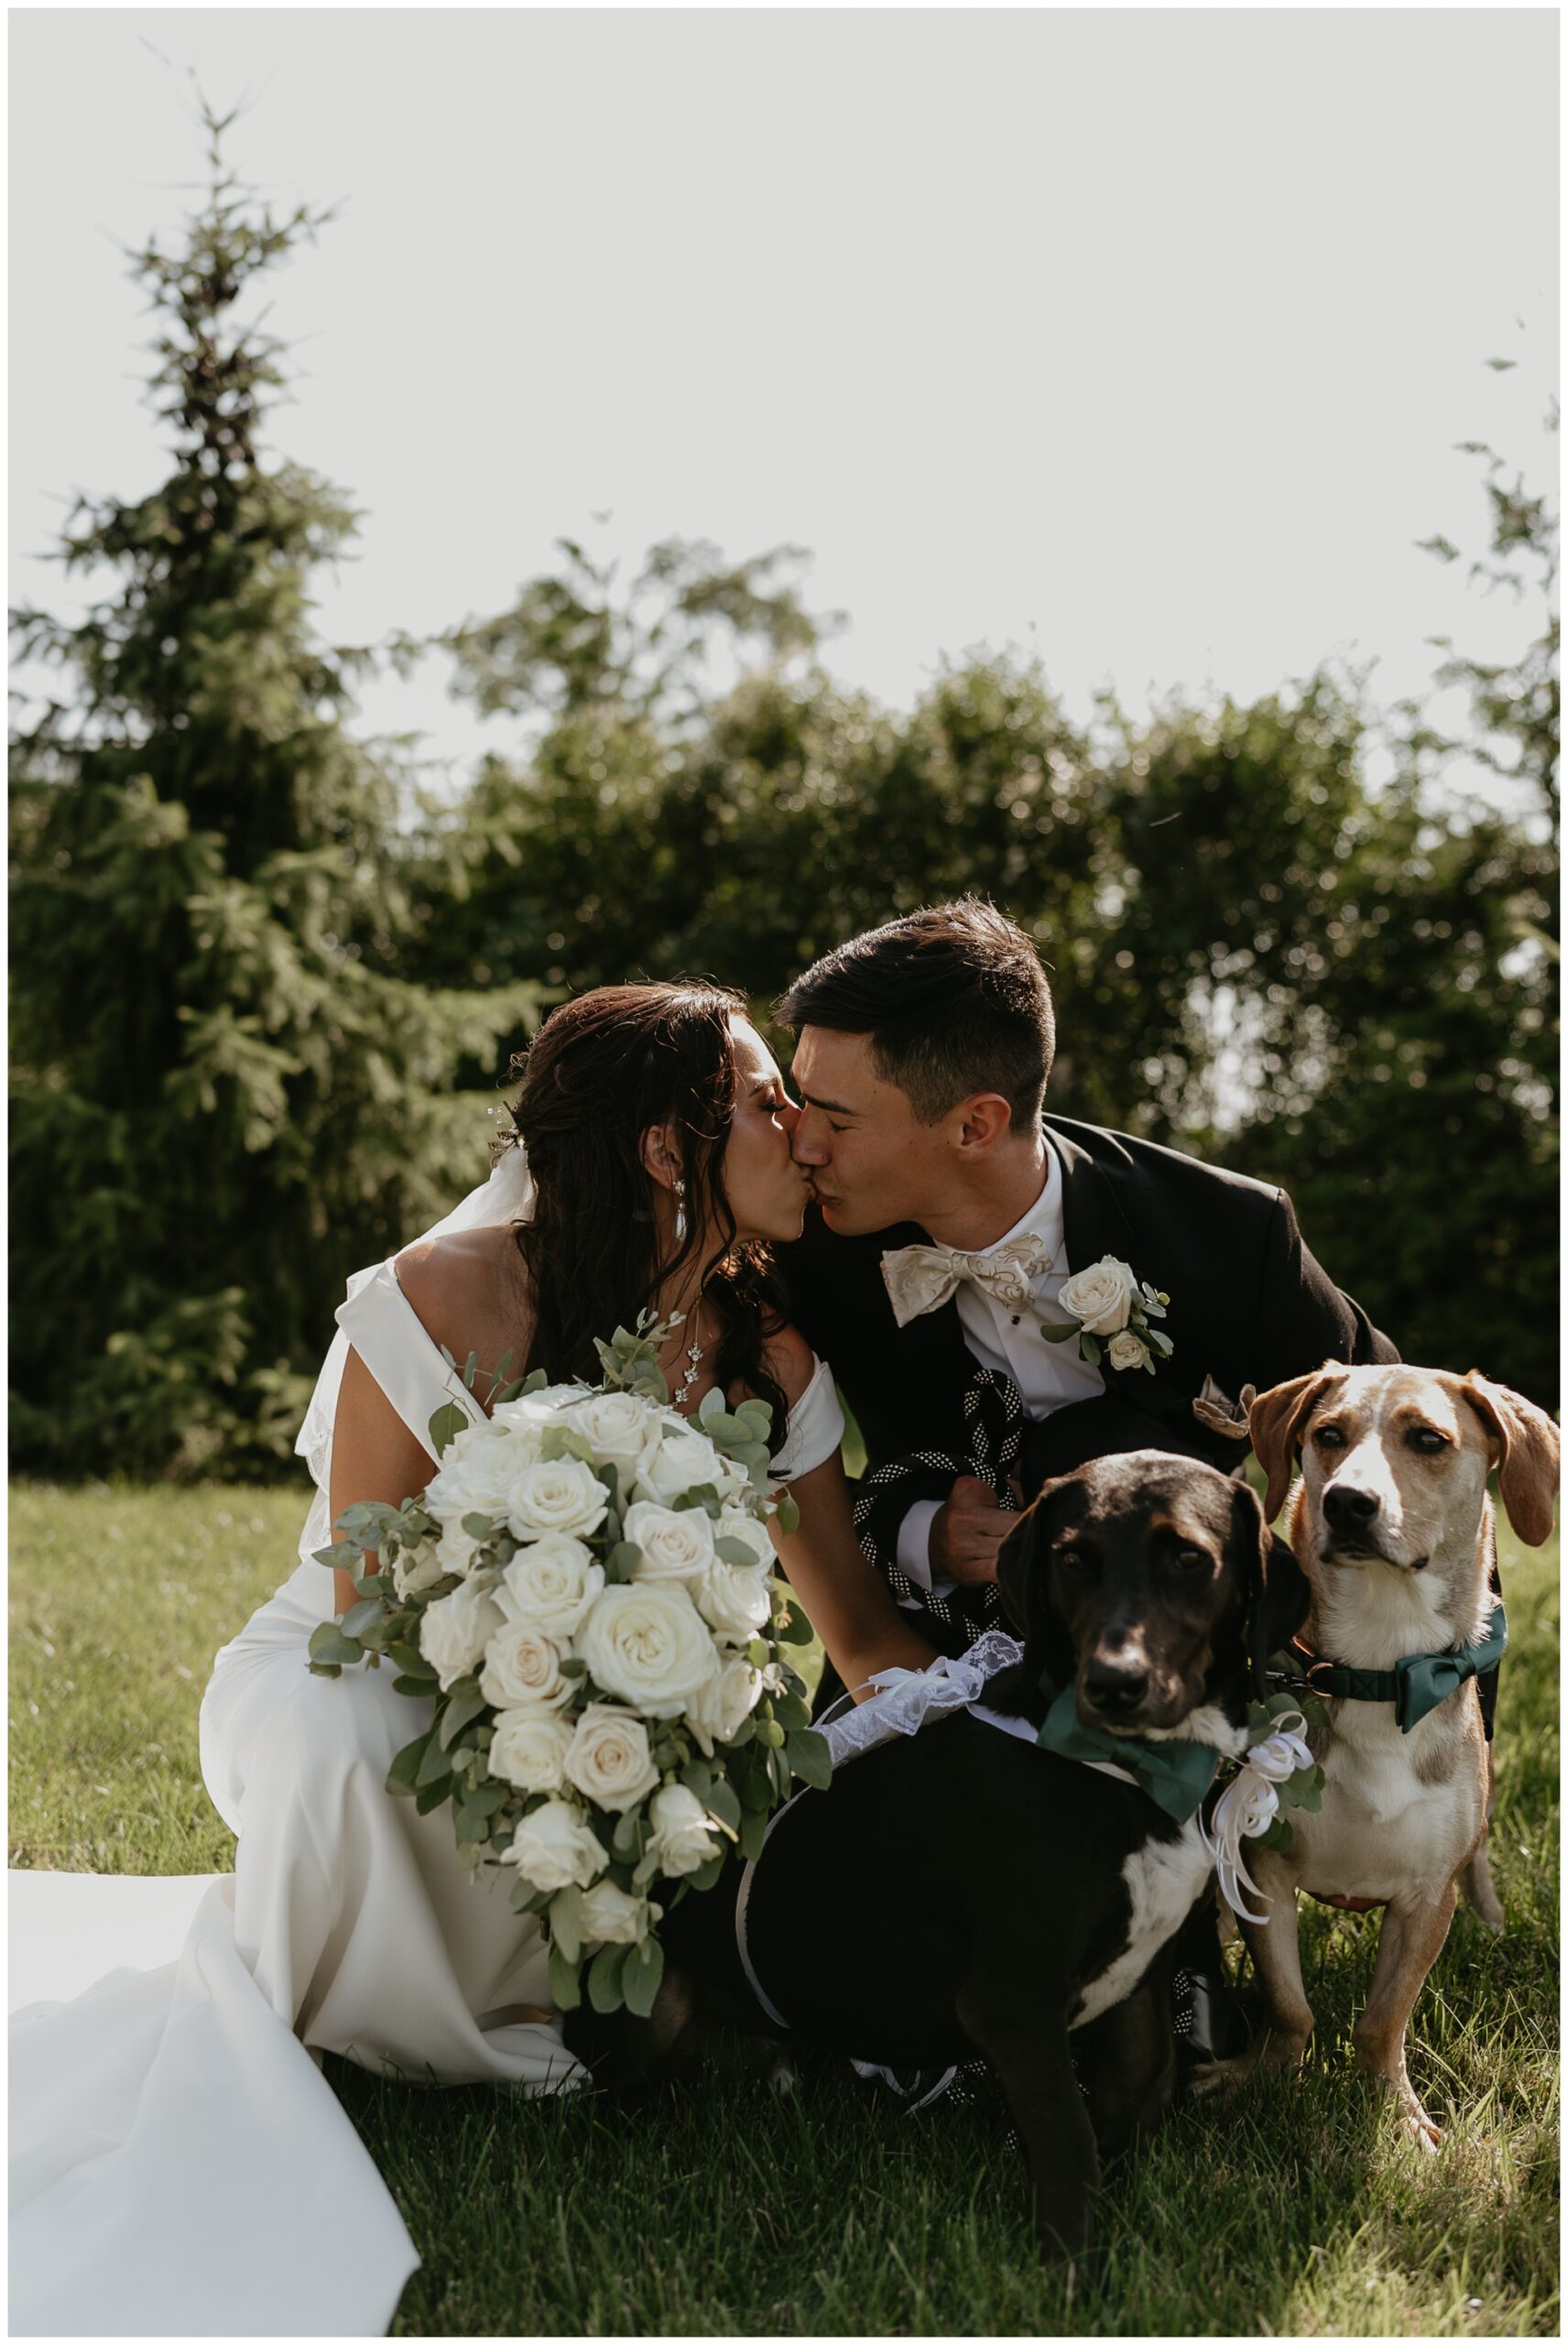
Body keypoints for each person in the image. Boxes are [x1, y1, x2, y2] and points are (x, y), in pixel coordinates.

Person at [11, 981, 934, 2340]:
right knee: (354, 1737)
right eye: (761, 1101)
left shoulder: (767, 1354)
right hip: (367, 1662)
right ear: (666, 1150)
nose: (799, 1129)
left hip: (617, 1697)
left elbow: (854, 1632)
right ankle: (323, 2015)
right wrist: (550, 1670)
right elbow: (365, 1594)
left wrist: (981, 1724)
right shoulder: (443, 1295)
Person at [775, 899, 1399, 1662]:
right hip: (927, 1655)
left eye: (837, 1122)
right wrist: (923, 1537)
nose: (801, 1143)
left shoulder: (1230, 1233)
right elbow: (751, 1494)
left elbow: (1399, 1434)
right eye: (800, 1098)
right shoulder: (805, 1249)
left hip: (1184, 1662)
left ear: (975, 1126)